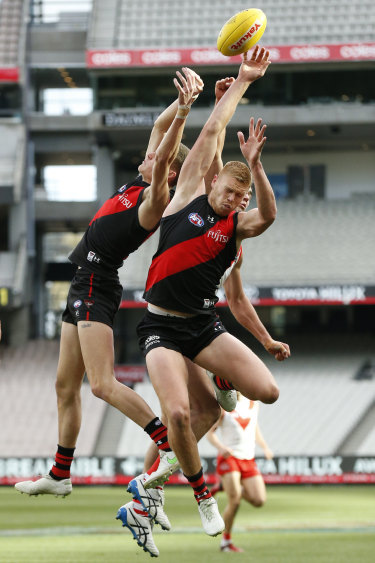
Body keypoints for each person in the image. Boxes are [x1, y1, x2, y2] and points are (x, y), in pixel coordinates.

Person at [14, 68, 201, 511]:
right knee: (65, 386)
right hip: (82, 281)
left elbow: (167, 145)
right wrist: (179, 104)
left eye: (158, 157)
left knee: (100, 384)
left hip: (98, 283)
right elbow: (159, 129)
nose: (147, 154)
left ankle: (168, 446)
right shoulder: (138, 180)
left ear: (169, 172)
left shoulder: (154, 201)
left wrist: (186, 115)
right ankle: (60, 473)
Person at [134, 46, 282, 542]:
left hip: (202, 327)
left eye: (242, 198)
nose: (236, 201)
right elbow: (213, 132)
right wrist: (242, 80)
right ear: (213, 180)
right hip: (159, 325)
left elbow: (268, 216)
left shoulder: (237, 228)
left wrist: (257, 167)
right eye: (232, 191)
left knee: (268, 391)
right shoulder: (185, 197)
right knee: (177, 412)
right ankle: (201, 498)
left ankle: (220, 376)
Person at [207, 393, 273, 553]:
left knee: (259, 500)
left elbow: (254, 426)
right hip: (230, 457)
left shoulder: (253, 403)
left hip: (248, 459)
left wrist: (264, 446)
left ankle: (225, 485)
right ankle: (226, 543)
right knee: (235, 500)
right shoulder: (224, 406)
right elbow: (210, 433)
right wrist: (221, 448)